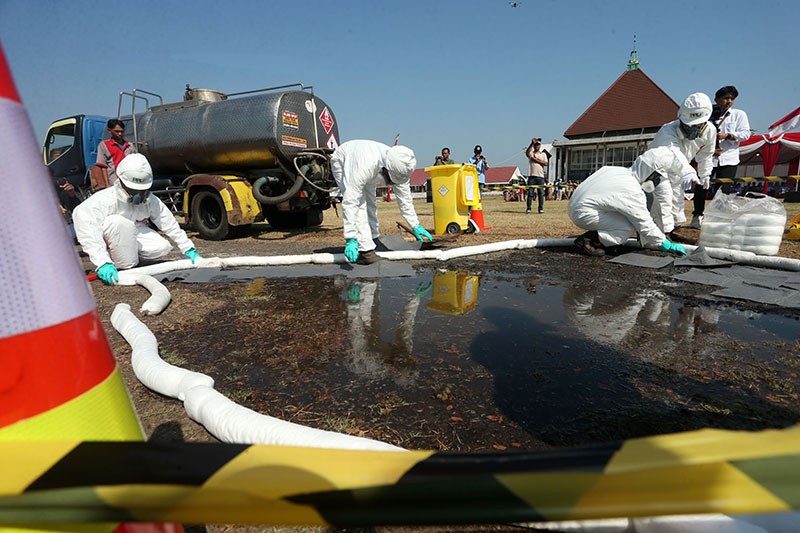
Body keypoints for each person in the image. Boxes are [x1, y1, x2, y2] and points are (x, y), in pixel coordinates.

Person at [73, 153, 201, 285]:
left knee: (162, 247)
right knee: (119, 223)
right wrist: (102, 261)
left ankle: (128, 255)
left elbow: (168, 222)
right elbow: (88, 229)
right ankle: (122, 263)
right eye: (133, 190)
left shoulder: (150, 200)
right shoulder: (103, 201)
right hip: (113, 230)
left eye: (142, 191)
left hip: (132, 231)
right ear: (121, 182)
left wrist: (188, 248)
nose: (138, 196)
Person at [568, 146, 693, 257]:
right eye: (656, 178)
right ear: (650, 173)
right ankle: (592, 242)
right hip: (583, 213)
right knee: (628, 226)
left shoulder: (616, 170)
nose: (656, 182)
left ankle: (603, 239)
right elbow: (644, 224)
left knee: (626, 219)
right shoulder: (631, 189)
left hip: (578, 206)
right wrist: (665, 244)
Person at [329, 140, 433, 265]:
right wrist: (350, 237)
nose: (390, 183)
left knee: (371, 202)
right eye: (390, 180)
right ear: (385, 169)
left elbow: (405, 198)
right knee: (361, 204)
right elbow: (351, 202)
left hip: (368, 164)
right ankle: (365, 252)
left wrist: (415, 224)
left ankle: (373, 239)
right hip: (344, 160)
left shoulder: (401, 166)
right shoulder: (366, 166)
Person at [648, 93, 714, 234]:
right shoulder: (668, 130)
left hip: (678, 174)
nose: (691, 129)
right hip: (657, 170)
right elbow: (673, 153)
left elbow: (706, 155)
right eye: (688, 125)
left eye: (695, 125)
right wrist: (688, 171)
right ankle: (661, 237)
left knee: (677, 205)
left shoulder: (710, 131)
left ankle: (671, 232)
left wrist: (705, 174)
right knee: (663, 200)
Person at [693, 85, 751, 225]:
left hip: (729, 158)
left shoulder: (739, 114)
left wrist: (728, 135)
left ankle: (719, 218)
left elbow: (746, 134)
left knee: (724, 190)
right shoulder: (707, 114)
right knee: (701, 186)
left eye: (732, 98)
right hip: (708, 157)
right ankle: (698, 215)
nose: (729, 101)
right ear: (717, 99)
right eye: (726, 98)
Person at [95, 118, 137, 190]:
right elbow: (103, 167)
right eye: (117, 131)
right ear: (109, 130)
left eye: (121, 131)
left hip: (129, 181)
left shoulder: (130, 146)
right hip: (114, 181)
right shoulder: (104, 145)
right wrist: (107, 184)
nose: (119, 134)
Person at [525, 138, 548, 214]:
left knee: (541, 193)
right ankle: (529, 208)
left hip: (540, 176)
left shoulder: (543, 154)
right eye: (535, 145)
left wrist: (536, 160)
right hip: (532, 175)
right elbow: (527, 153)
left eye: (538, 145)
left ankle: (541, 208)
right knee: (530, 193)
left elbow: (545, 163)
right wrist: (531, 143)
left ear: (540, 145)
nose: (537, 146)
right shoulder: (531, 153)